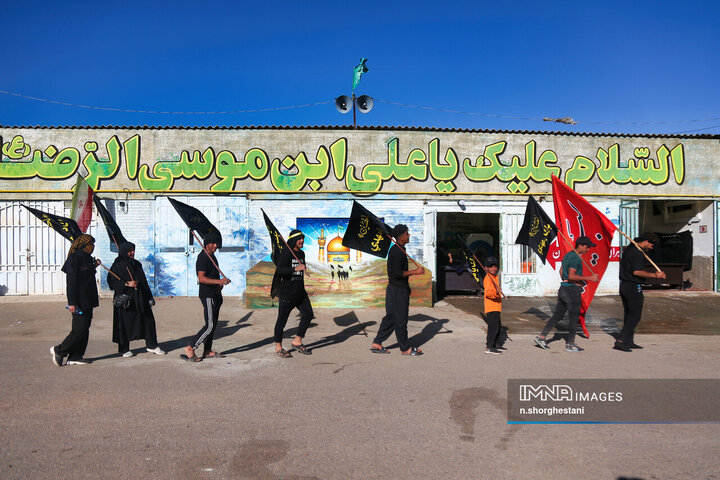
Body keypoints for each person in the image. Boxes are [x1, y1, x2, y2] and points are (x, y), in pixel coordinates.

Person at [534, 236, 600, 352]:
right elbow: (571, 276)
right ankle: (570, 344)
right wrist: (589, 277)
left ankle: (542, 337)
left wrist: (575, 281)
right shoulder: (576, 258)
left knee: (557, 315)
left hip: (564, 289)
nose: (588, 249)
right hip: (571, 291)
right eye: (587, 247)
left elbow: (561, 272)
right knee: (574, 317)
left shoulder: (568, 255)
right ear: (580, 246)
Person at [370, 224, 425, 356]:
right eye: (407, 233)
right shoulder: (396, 251)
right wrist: (415, 272)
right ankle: (405, 348)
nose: (409, 235)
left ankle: (377, 343)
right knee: (400, 319)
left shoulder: (400, 250)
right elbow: (395, 273)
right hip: (397, 290)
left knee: (391, 317)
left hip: (399, 289)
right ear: (401, 237)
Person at [108, 241, 165, 357]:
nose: (132, 253)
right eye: (130, 251)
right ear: (124, 251)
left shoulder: (136, 264)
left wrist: (149, 296)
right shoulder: (117, 265)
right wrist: (126, 284)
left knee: (148, 321)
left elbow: (143, 282)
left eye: (133, 250)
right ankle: (124, 349)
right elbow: (111, 283)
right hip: (126, 299)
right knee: (124, 324)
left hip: (140, 297)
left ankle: (152, 345)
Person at [50, 234, 100, 366]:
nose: (93, 247)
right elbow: (71, 282)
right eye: (91, 244)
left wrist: (94, 266)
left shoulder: (87, 258)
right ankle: (59, 350)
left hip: (88, 299)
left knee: (85, 328)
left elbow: (86, 275)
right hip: (79, 300)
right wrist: (72, 302)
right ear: (83, 245)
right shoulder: (74, 259)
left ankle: (76, 355)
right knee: (79, 329)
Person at [183, 232, 230, 362]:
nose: (216, 246)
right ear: (207, 244)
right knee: (209, 326)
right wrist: (219, 281)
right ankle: (191, 347)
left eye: (217, 244)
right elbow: (202, 278)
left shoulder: (212, 257)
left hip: (216, 295)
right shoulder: (203, 258)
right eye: (213, 243)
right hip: (208, 295)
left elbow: (213, 277)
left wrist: (221, 283)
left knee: (213, 325)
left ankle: (207, 350)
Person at [615, 233, 665, 352]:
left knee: (629, 314)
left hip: (625, 286)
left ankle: (629, 340)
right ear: (646, 242)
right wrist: (655, 275)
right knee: (635, 316)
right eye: (651, 245)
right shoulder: (636, 253)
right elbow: (637, 272)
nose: (651, 248)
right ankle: (621, 341)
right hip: (632, 286)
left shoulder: (629, 249)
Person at [272, 229, 314, 358]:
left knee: (308, 315)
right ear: (293, 240)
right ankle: (278, 346)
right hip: (287, 294)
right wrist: (295, 268)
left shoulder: (301, 253)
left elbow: (300, 270)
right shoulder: (286, 253)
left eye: (303, 238)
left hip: (300, 292)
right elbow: (280, 270)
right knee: (282, 321)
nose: (302, 241)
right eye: (299, 238)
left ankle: (297, 341)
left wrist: (302, 268)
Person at [483, 257, 504, 354]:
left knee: (498, 326)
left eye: (495, 266)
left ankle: (497, 344)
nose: (493, 268)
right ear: (486, 268)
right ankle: (489, 346)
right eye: (491, 267)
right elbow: (488, 293)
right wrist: (496, 292)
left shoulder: (495, 277)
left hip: (496, 306)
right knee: (493, 327)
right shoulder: (488, 278)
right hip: (491, 307)